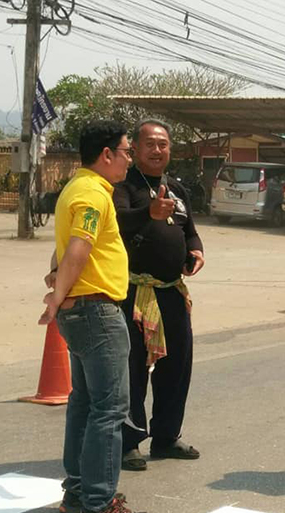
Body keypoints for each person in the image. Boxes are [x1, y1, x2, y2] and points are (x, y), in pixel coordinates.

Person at [39, 120, 149, 513]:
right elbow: (78, 248)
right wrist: (56, 297)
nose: (129, 159)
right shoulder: (92, 194)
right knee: (109, 409)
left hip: (83, 310)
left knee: (84, 403)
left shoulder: (77, 187)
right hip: (96, 311)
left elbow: (63, 251)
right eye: (126, 151)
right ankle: (99, 504)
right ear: (106, 154)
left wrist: (58, 284)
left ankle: (78, 491)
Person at [112, 118, 205, 471]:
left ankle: (166, 437)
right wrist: (147, 213)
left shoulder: (176, 188)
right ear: (135, 149)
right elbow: (118, 221)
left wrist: (196, 250)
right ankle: (129, 442)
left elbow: (190, 230)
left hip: (171, 291)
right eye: (149, 144)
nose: (156, 150)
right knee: (133, 369)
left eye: (163, 144)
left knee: (176, 366)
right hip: (134, 292)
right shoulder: (123, 186)